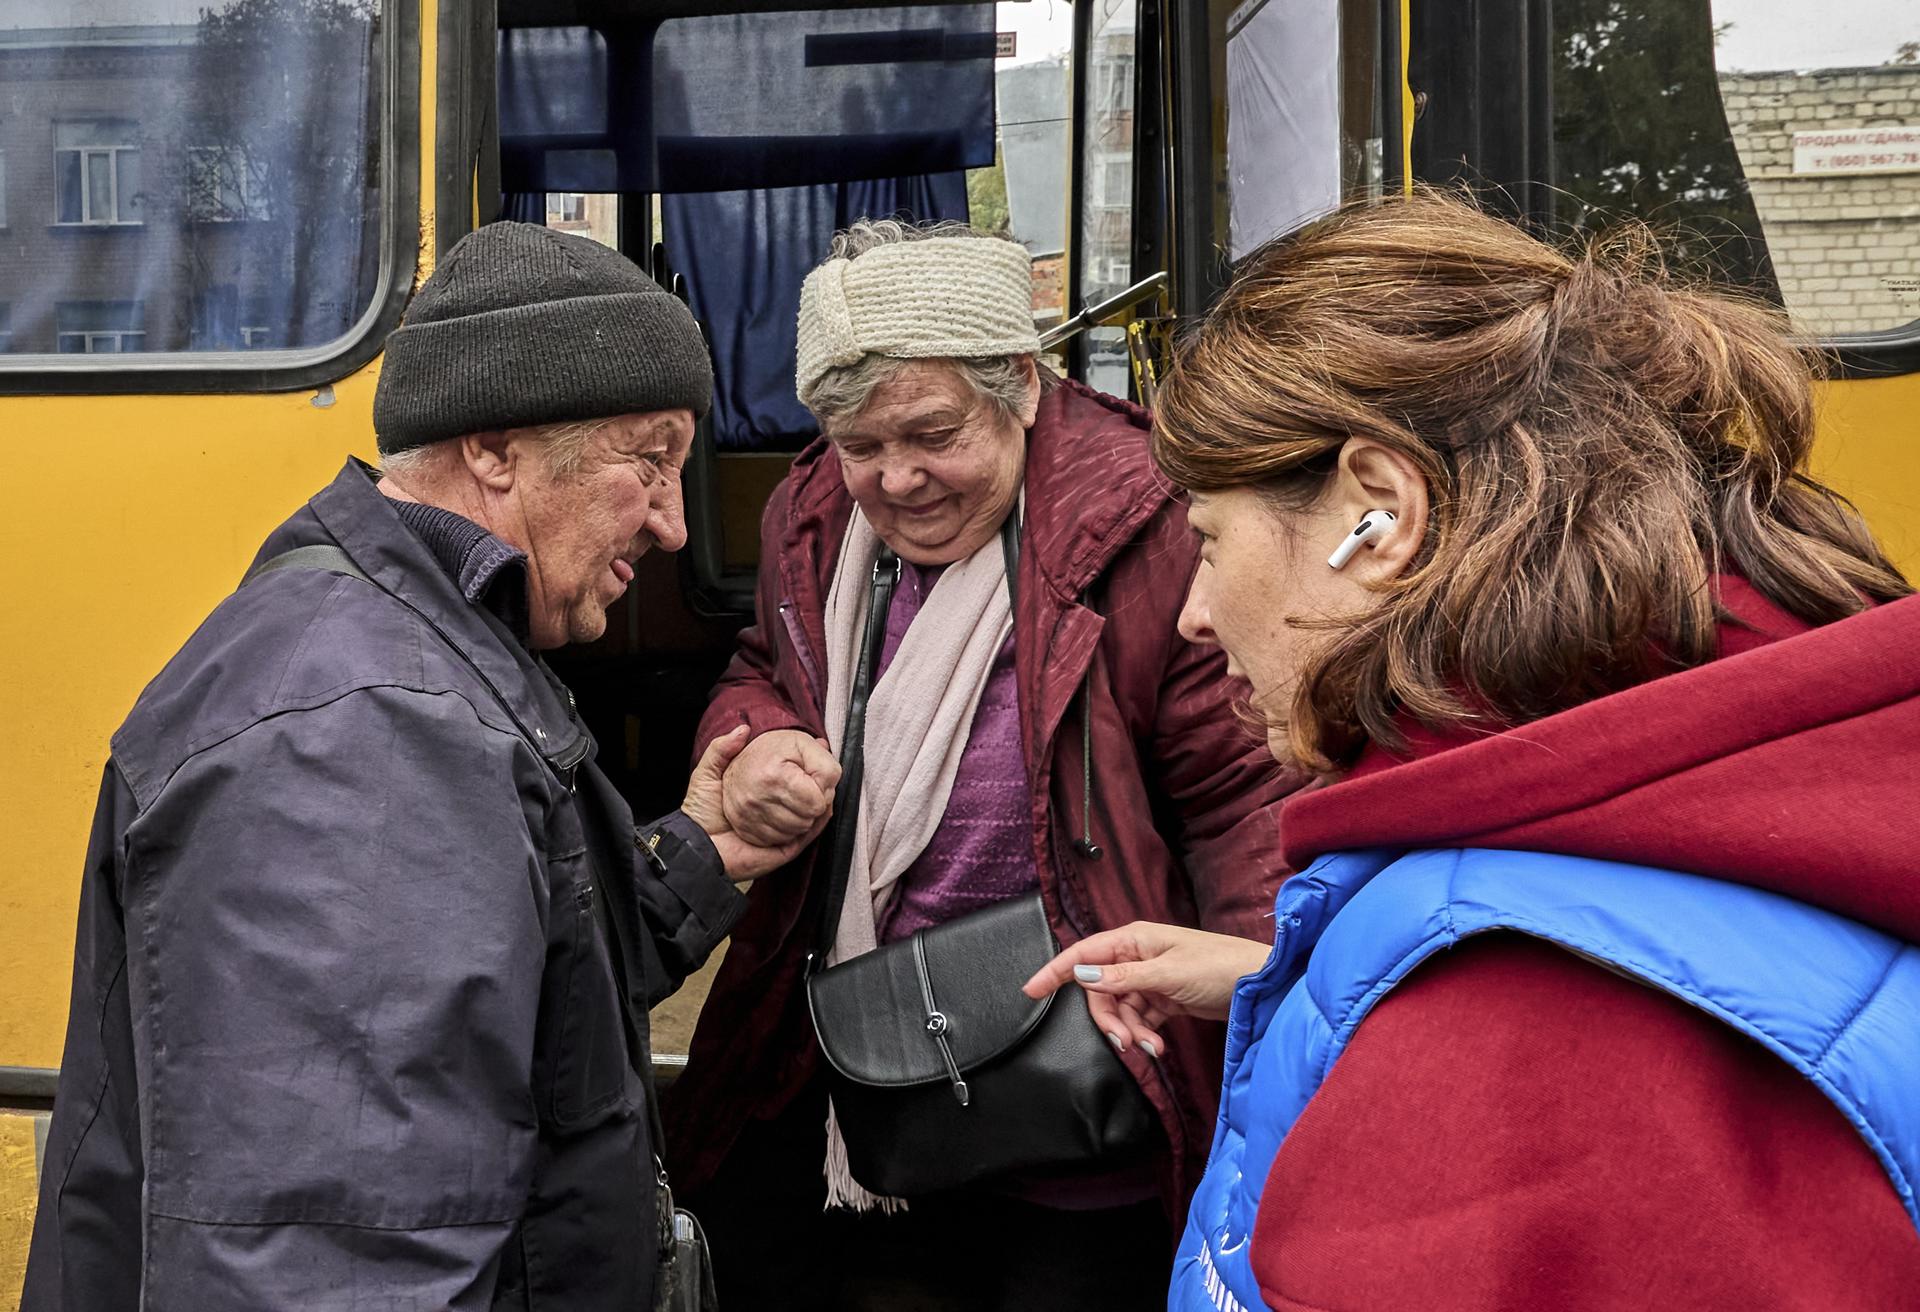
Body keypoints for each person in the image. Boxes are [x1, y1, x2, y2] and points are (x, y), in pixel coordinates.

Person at [1026, 191, 1920, 1310]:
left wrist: (1425, 1027)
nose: (1195, 613)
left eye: (1210, 540)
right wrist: (1302, 986)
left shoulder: (1512, 1041)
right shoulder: (1699, 752)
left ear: (1379, 513)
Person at [23, 222, 810, 1311]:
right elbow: (335, 1259)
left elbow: (505, 995)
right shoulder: (366, 734)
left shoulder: (409, 650)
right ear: (493, 449)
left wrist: (702, 854)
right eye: (650, 458)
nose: (676, 523)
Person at [661, 220, 1299, 1310]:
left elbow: (1243, 799)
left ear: (1020, 383)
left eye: (932, 433)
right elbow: (767, 661)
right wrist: (760, 735)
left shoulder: (1145, 520)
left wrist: (1253, 994)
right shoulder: (813, 509)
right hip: (854, 1060)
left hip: (1075, 1062)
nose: (896, 477)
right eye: (862, 443)